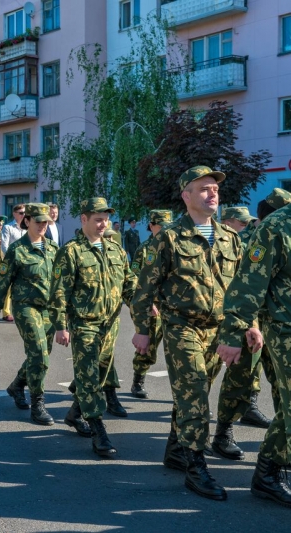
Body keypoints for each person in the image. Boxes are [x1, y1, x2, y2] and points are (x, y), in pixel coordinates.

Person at [131, 165, 239, 501]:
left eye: (215, 189)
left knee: (193, 391)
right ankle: (196, 466)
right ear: (186, 196)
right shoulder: (167, 239)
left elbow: (237, 289)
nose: (212, 194)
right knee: (194, 393)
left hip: (217, 330)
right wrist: (143, 331)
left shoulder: (229, 238)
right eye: (204, 188)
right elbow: (144, 290)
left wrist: (244, 326)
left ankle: (176, 451)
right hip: (182, 327)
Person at [216, 200, 291, 508]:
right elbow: (249, 284)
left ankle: (268, 471)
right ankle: (268, 473)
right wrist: (234, 332)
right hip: (286, 329)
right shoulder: (277, 227)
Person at [50, 197, 136, 456]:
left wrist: (141, 306)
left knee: (96, 375)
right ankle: (98, 429)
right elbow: (59, 292)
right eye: (98, 219)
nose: (103, 224)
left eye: (106, 219)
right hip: (84, 324)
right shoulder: (71, 251)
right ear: (84, 219)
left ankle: (74, 414)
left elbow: (128, 283)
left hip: (111, 325)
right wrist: (60, 325)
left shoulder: (115, 250)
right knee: (88, 375)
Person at [0, 204, 58, 424]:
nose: (42, 226)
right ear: (27, 221)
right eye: (38, 222)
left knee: (41, 354)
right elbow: (2, 283)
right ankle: (37, 404)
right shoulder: (18, 250)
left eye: (45, 222)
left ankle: (17, 385)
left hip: (48, 309)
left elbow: (61, 283)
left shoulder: (54, 249)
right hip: (25, 307)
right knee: (38, 353)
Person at [129, 210, 173, 399]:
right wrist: (147, 304)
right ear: (152, 226)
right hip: (152, 306)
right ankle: (138, 380)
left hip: (172, 306)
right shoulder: (145, 249)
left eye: (167, 226)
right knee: (147, 346)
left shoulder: (174, 246)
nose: (164, 229)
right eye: (161, 226)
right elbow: (135, 278)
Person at [0, 204, 27, 321]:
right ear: (14, 214)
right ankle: (6, 312)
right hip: (12, 261)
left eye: (25, 213)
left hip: (26, 261)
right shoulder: (8, 227)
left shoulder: (28, 227)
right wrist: (12, 259)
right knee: (10, 288)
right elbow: (5, 246)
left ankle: (24, 311)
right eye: (21, 213)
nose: (24, 215)